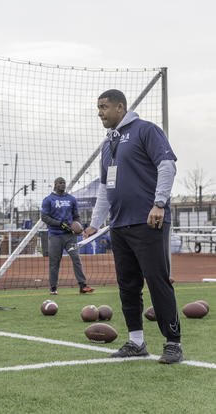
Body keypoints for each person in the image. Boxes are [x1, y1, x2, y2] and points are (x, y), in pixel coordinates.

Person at [84, 89, 182, 364]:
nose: (100, 112)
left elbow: (167, 166)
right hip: (119, 225)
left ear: (120, 107)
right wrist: (94, 224)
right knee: (127, 285)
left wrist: (159, 203)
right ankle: (136, 342)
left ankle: (173, 343)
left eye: (104, 107)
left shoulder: (145, 130)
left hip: (148, 221)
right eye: (98, 108)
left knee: (157, 281)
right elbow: (105, 187)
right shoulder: (108, 144)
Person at [41, 177, 94, 295]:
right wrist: (60, 224)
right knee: (54, 262)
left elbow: (76, 216)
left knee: (76, 258)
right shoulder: (48, 200)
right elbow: (44, 217)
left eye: (64, 183)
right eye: (60, 183)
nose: (63, 185)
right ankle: (53, 288)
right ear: (55, 184)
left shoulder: (71, 199)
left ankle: (83, 285)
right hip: (55, 236)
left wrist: (78, 226)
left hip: (70, 236)